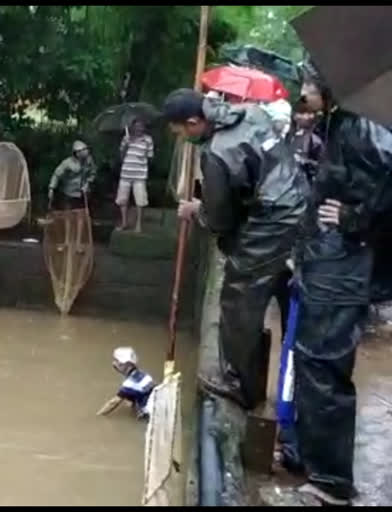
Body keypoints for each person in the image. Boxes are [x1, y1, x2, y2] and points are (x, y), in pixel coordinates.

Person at [162, 88, 307, 410]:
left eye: (182, 133)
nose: (183, 139)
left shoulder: (216, 153)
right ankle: (293, 398)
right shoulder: (251, 113)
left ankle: (242, 385)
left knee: (239, 301)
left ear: (193, 121)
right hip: (300, 203)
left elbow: (219, 220)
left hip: (272, 222)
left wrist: (195, 210)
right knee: (293, 308)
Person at [287, 59, 392, 506]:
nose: (302, 94)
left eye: (307, 84)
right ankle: (314, 464)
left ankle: (330, 482)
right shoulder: (341, 123)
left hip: (342, 268)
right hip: (328, 265)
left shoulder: (362, 127)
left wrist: (355, 218)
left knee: (324, 366)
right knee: (314, 364)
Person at [96, 346, 155, 420]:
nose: (114, 363)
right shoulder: (144, 375)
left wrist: (98, 415)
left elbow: (113, 402)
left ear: (127, 365)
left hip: (148, 414)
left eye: (117, 361)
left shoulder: (129, 384)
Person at [117, 119, 154, 233]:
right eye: (136, 126)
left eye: (141, 126)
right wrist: (126, 146)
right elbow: (121, 157)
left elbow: (150, 156)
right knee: (122, 200)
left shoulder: (148, 139)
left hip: (140, 175)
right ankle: (124, 223)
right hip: (125, 174)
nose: (139, 128)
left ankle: (138, 225)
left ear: (144, 127)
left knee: (140, 201)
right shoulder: (126, 138)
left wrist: (142, 159)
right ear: (132, 127)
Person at [48, 140, 96, 211]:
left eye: (86, 149)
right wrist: (51, 188)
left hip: (84, 194)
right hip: (69, 194)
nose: (86, 152)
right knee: (69, 214)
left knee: (83, 214)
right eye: (83, 150)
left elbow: (93, 173)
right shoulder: (67, 163)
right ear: (77, 153)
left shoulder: (89, 160)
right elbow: (56, 175)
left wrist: (88, 183)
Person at [289, 99, 323, 184]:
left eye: (312, 112)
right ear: (295, 115)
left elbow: (324, 165)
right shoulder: (289, 135)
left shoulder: (316, 138)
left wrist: (304, 161)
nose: (310, 116)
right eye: (304, 113)